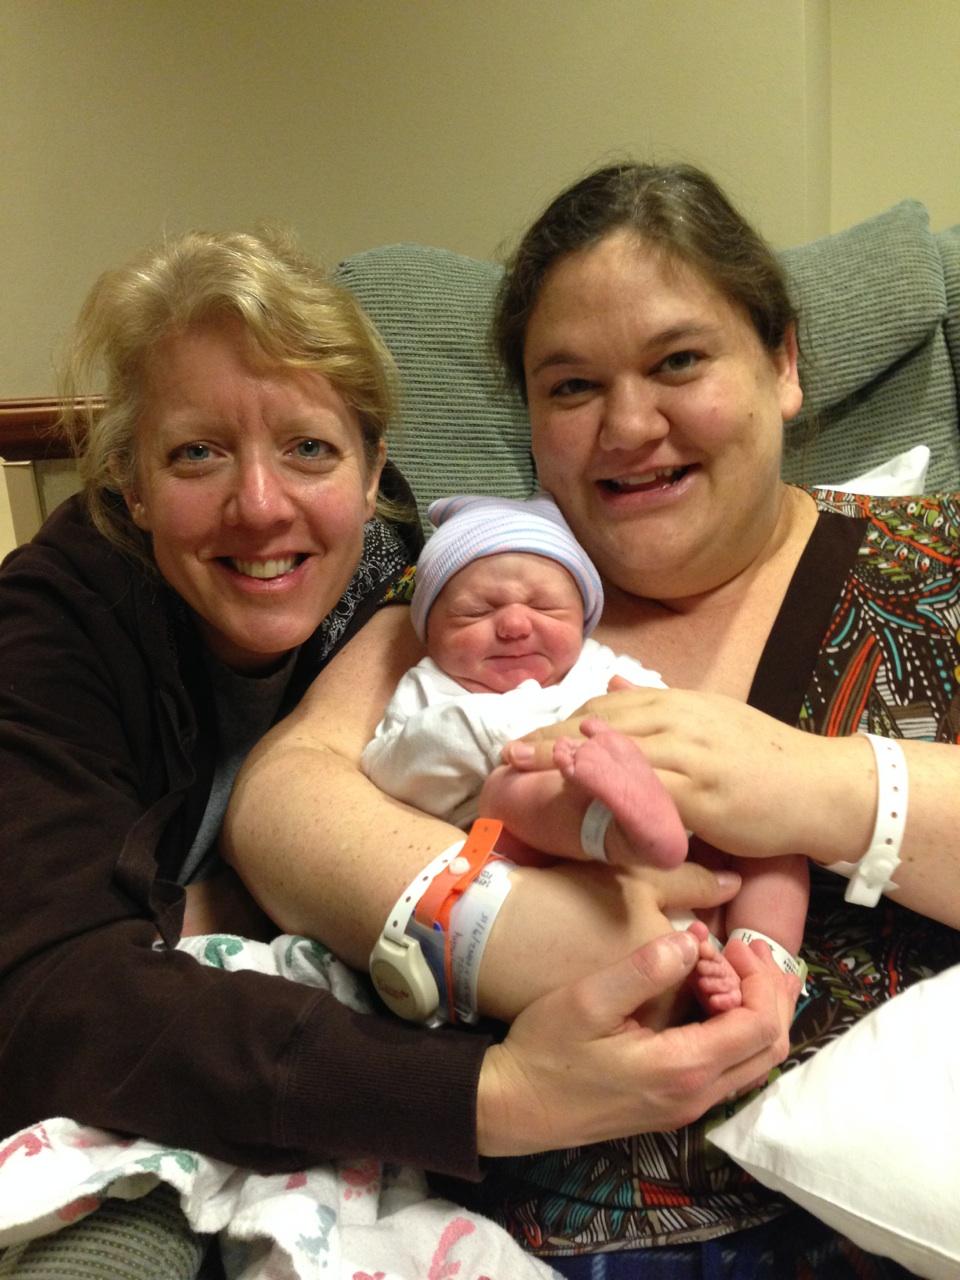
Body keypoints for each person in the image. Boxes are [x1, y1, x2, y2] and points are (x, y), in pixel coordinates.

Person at [0, 226, 794, 1273]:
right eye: (196, 452)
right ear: (133, 482)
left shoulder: (418, 594)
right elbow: (56, 994)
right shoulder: (56, 621)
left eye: (310, 449)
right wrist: (489, 1098)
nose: (261, 503)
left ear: (377, 471)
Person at [225, 163, 960, 1277]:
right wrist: (516, 932)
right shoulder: (483, 595)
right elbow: (283, 801)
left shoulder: (931, 568)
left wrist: (832, 789)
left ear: (784, 364)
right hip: (549, 1235)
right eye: (570, 387)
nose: (627, 424)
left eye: (678, 361)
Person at [361, 490, 809, 1012]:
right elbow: (388, 768)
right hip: (541, 867)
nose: (513, 624)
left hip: (674, 842)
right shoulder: (433, 688)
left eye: (544, 606)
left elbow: (671, 721)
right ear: (431, 632)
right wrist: (502, 734)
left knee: (770, 830)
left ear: (583, 619)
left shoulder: (599, 668)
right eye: (475, 611)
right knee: (511, 789)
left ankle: (761, 959)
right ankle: (618, 827)